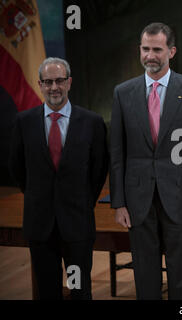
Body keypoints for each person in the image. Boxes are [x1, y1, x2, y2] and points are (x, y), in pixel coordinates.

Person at [110, 22, 182, 300]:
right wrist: (118, 202)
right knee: (144, 274)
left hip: (180, 199)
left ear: (172, 51)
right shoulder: (122, 93)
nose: (150, 55)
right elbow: (116, 153)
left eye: (157, 49)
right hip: (137, 199)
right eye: (145, 49)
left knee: (181, 277)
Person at [9, 57, 109, 299]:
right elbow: (17, 168)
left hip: (77, 226)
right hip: (40, 225)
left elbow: (99, 169)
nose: (54, 87)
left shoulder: (92, 122)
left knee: (78, 289)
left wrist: (83, 200)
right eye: (48, 82)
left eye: (60, 81)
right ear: (40, 84)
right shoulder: (24, 122)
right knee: (46, 291)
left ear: (70, 82)